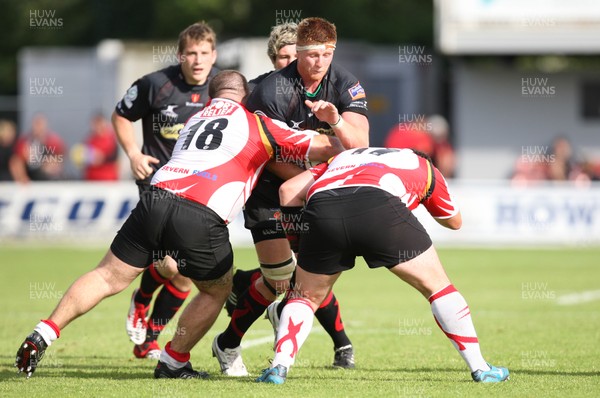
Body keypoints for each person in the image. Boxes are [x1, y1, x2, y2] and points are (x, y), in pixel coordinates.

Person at [14, 70, 344, 380]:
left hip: (155, 198)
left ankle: (44, 331)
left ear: (213, 95)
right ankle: (173, 361)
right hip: (200, 212)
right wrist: (340, 131)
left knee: (106, 275)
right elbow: (327, 146)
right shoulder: (257, 122)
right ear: (245, 98)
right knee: (217, 289)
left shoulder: (194, 118)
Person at [256, 147, 510, 384]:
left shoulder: (344, 156)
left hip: (322, 209)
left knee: (305, 297)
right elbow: (454, 222)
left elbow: (288, 191)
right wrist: (420, 193)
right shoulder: (423, 165)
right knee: (438, 288)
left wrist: (299, 245)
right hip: (378, 205)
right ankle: (481, 368)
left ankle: (279, 367)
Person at [213, 17, 368, 375]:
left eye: (325, 54)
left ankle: (331, 338)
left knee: (310, 274)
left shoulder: (344, 82)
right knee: (280, 279)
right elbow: (271, 158)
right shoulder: (269, 92)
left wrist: (338, 122)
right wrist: (314, 180)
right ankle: (228, 342)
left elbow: (360, 143)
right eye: (308, 54)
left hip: (311, 187)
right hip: (270, 190)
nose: (318, 61)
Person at [112, 21, 218, 359]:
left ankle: (148, 339)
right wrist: (132, 154)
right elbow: (120, 115)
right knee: (172, 265)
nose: (198, 60)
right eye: (191, 53)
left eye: (204, 53)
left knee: (185, 270)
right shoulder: (155, 84)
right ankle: (142, 300)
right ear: (180, 55)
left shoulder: (224, 90)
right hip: (157, 182)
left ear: (214, 55)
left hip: (199, 191)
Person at [10, 113, 65, 183]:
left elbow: (59, 160)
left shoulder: (54, 141)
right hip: (32, 178)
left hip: (49, 179)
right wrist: (22, 177)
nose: (39, 128)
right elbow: (16, 162)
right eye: (37, 124)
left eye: (41, 124)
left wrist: (50, 164)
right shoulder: (25, 142)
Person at [71, 113, 119, 180]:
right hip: (91, 179)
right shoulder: (89, 139)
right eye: (95, 123)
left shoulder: (111, 138)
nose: (97, 126)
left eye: (99, 123)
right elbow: (81, 159)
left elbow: (115, 157)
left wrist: (102, 158)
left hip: (108, 179)